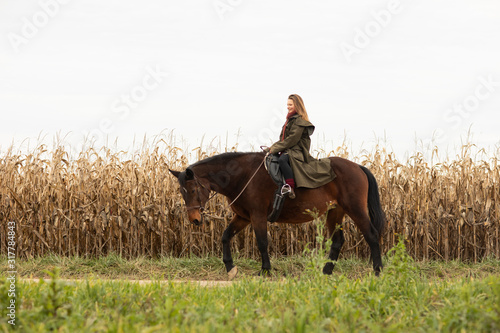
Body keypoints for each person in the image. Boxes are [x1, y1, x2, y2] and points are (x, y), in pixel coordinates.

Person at [267, 94, 336, 199]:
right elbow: (283, 140)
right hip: (289, 150)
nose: (288, 107)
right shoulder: (290, 121)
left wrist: (275, 149)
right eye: (287, 105)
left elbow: (291, 140)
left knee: (282, 160)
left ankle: (290, 186)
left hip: (296, 152)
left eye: (290, 104)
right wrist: (271, 148)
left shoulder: (300, 122)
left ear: (297, 105)